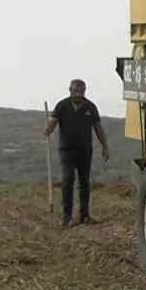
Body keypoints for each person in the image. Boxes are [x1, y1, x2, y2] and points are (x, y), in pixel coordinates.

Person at [44, 79, 110, 227]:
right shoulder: (62, 105)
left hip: (85, 150)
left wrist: (105, 146)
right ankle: (67, 217)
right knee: (68, 180)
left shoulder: (91, 107)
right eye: (75, 91)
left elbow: (98, 128)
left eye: (81, 91)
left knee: (84, 182)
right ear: (70, 90)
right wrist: (48, 130)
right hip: (66, 150)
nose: (78, 94)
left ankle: (84, 216)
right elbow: (53, 122)